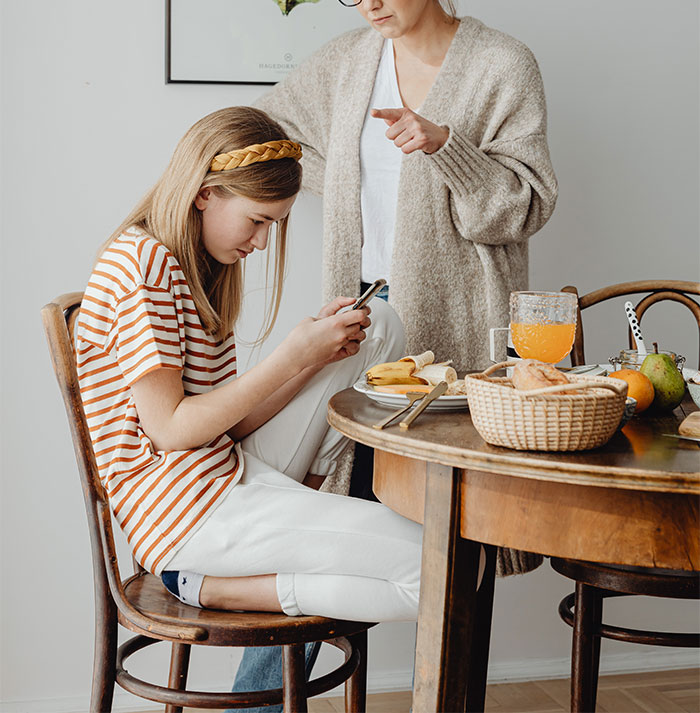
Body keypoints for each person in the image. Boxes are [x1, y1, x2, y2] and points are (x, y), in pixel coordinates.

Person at [231, 1, 557, 707]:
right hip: (358, 334)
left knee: (445, 539)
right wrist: (340, 174)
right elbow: (263, 134)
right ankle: (259, 702)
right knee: (329, 514)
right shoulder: (349, 59)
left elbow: (520, 209)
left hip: (457, 342)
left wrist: (449, 147)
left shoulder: (503, 64)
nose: (369, 2)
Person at [74, 107, 425, 632]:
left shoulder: (193, 266)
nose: (262, 242)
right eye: (257, 220)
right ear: (204, 193)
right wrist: (291, 356)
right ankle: (218, 587)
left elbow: (226, 426)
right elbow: (171, 431)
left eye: (273, 225)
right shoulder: (141, 266)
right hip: (180, 509)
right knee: (441, 561)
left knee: (378, 326)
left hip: (221, 468)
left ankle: (294, 512)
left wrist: (311, 363)